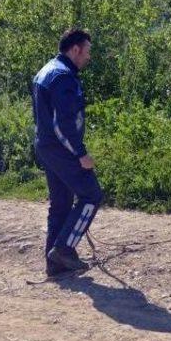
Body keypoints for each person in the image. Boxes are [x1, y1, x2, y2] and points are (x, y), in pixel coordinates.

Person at [31, 29, 103, 277]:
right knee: (91, 195)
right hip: (62, 149)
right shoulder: (63, 77)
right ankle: (64, 249)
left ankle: (54, 263)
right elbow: (62, 124)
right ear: (75, 49)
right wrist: (80, 154)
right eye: (87, 51)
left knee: (61, 203)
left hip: (46, 146)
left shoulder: (46, 70)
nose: (89, 57)